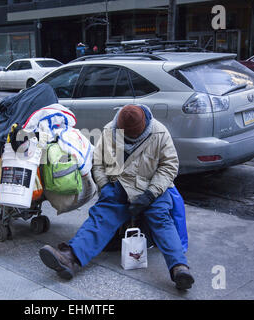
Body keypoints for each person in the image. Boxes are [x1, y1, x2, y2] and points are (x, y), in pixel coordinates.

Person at [39, 104, 195, 290]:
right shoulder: (109, 131)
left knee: (161, 218)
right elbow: (97, 164)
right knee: (102, 216)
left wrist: (151, 193)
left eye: (134, 136)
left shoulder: (159, 132)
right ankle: (69, 257)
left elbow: (169, 166)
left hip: (151, 187)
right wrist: (104, 186)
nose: (131, 138)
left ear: (144, 127)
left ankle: (179, 268)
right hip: (119, 185)